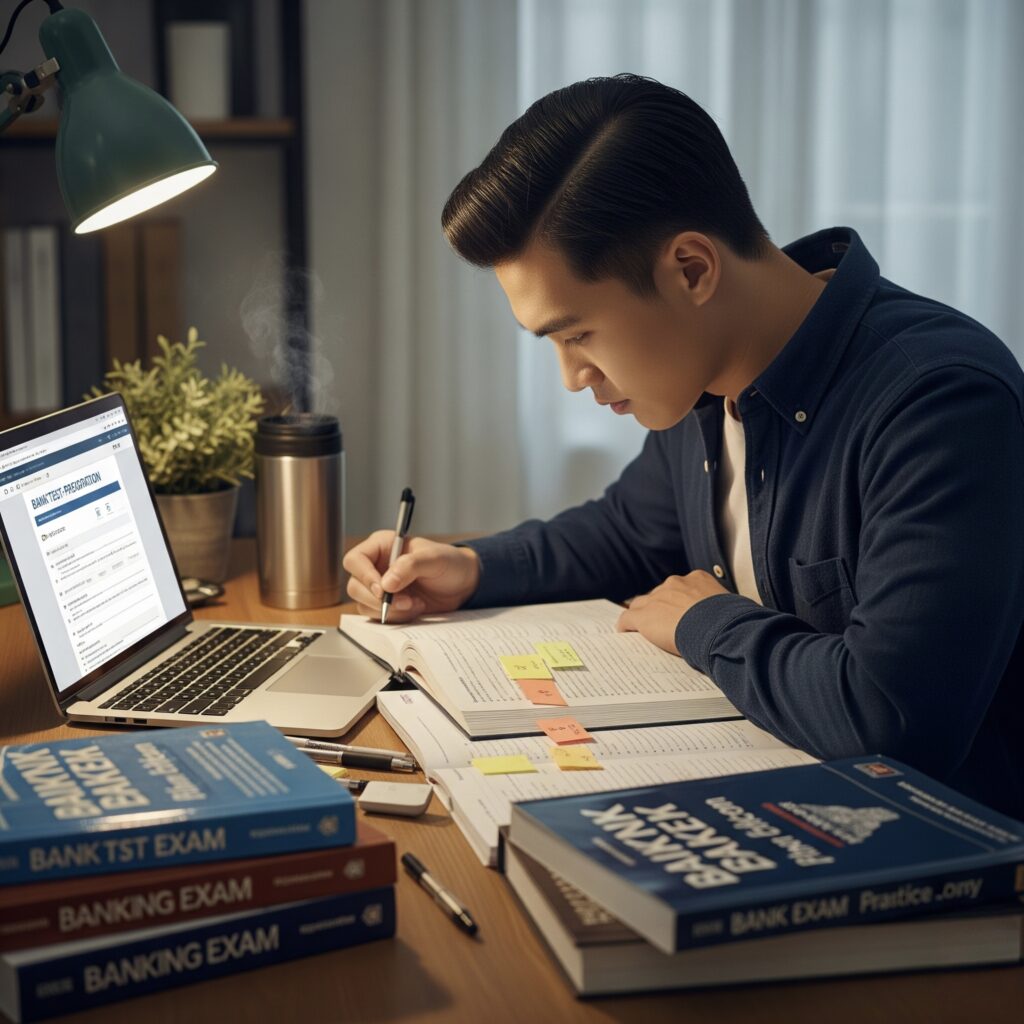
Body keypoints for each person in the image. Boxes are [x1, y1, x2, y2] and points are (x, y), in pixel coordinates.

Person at [344, 74, 1024, 820]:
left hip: (943, 869)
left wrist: (708, 623)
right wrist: (471, 568)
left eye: (577, 334)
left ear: (692, 270)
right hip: (779, 798)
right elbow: (631, 532)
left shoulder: (939, 401)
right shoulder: (705, 380)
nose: (573, 376)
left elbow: (891, 718)